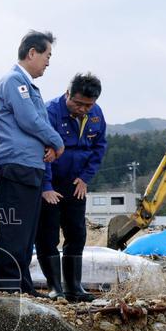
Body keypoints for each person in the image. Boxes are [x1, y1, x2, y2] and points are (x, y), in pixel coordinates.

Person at [0, 30, 64, 295]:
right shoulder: (14, 80)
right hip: (17, 164)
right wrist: (57, 142)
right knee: (15, 229)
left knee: (27, 232)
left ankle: (22, 284)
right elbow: (29, 119)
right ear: (32, 52)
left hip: (31, 165)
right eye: (47, 56)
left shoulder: (28, 85)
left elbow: (37, 121)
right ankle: (7, 285)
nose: (48, 62)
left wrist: (47, 145)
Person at [37, 72, 106, 302]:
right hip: (51, 184)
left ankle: (74, 287)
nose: (83, 109)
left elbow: (99, 147)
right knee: (48, 235)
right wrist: (46, 185)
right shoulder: (50, 111)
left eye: (88, 105)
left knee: (77, 234)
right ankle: (55, 287)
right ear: (68, 94)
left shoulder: (96, 114)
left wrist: (85, 178)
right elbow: (42, 150)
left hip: (76, 183)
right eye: (78, 104)